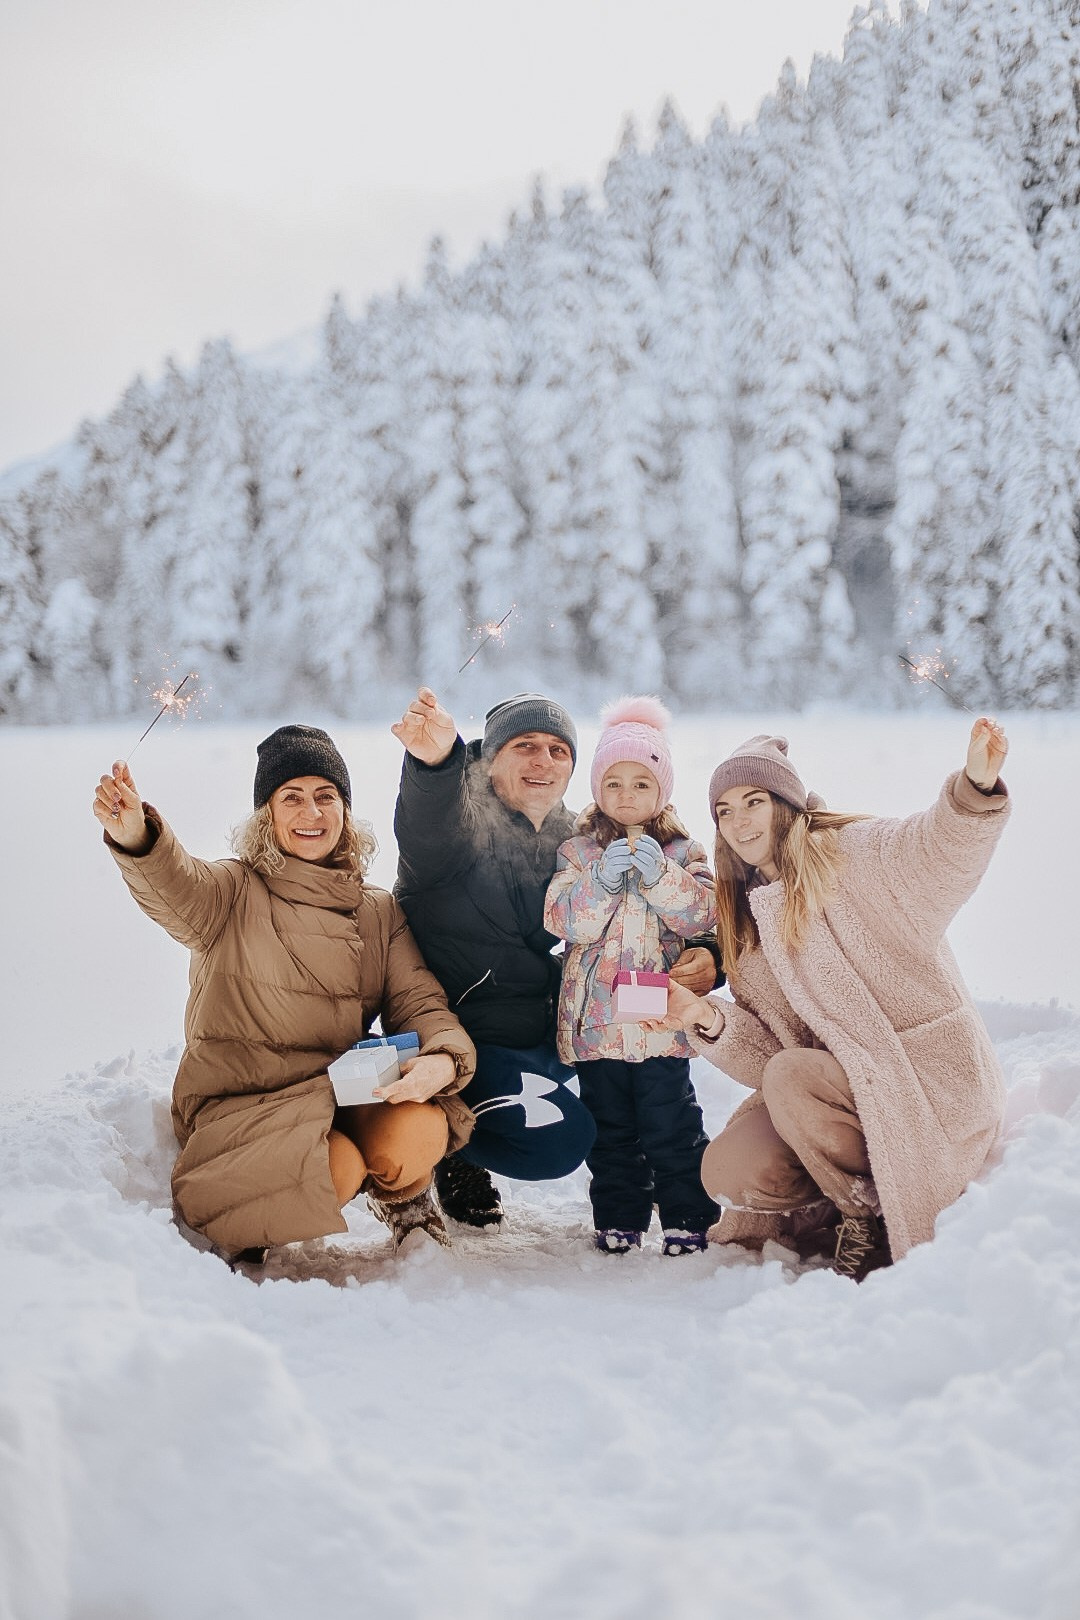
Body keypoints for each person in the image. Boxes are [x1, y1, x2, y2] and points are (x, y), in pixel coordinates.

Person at [93, 723, 476, 1265]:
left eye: (325, 796)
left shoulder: (375, 911)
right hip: (241, 1108)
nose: (311, 812)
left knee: (416, 1128)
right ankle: (247, 1220)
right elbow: (175, 885)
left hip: (334, 1094)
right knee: (335, 1166)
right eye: (290, 797)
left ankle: (407, 1200)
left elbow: (420, 1002)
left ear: (345, 811)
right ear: (266, 815)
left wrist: (441, 1058)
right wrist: (138, 835)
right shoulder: (231, 891)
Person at [647, 718, 1010, 1281]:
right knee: (729, 1168)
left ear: (785, 805)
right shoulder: (746, 919)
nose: (740, 822)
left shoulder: (854, 856)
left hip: (924, 1084)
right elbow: (772, 1057)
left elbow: (936, 851)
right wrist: (705, 1018)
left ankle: (867, 1215)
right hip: (834, 1094)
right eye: (725, 811)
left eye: (754, 802)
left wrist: (974, 788)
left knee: (793, 1077)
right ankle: (849, 1195)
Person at [391, 688, 720, 1228]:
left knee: (645, 1102)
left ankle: (664, 1173)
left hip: (551, 1024)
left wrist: (709, 955)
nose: (543, 761)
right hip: (461, 1034)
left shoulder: (579, 838)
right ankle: (452, 1143)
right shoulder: (458, 827)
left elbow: (677, 910)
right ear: (489, 758)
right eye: (524, 746)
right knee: (563, 1138)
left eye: (558, 749)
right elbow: (427, 817)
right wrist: (436, 761)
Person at [543, 697, 721, 1256]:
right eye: (614, 783)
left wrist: (662, 876)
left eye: (641, 783)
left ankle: (688, 1215)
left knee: (671, 1124)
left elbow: (703, 914)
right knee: (610, 1130)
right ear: (597, 788)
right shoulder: (575, 853)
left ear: (661, 790)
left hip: (659, 1024)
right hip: (598, 1025)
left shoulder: (684, 851)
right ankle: (619, 1216)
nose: (626, 796)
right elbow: (562, 920)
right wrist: (599, 879)